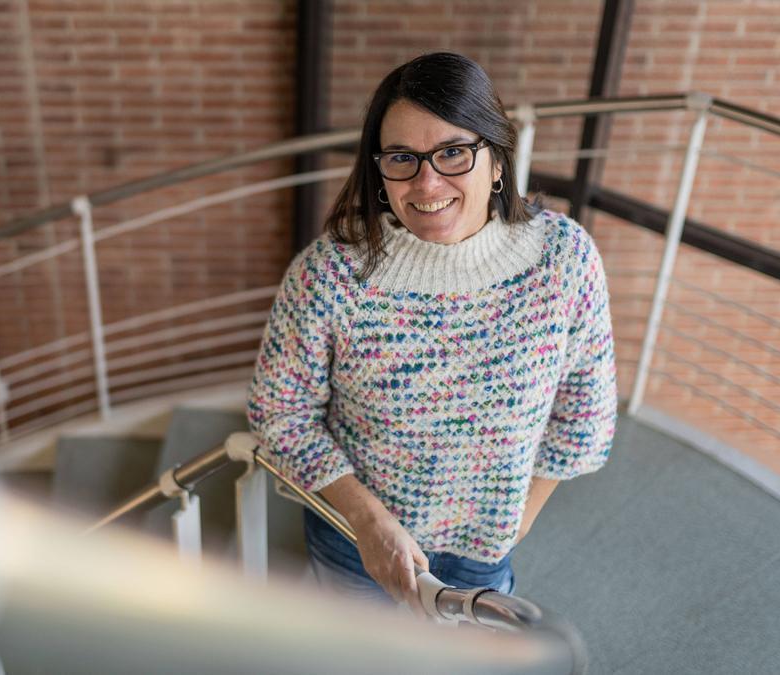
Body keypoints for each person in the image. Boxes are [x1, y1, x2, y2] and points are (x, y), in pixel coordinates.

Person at [247, 52, 617, 610]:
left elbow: (586, 415)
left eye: (452, 152)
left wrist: (515, 523)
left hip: (485, 551)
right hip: (353, 542)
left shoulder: (564, 261)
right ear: (380, 172)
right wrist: (366, 520)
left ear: (496, 161)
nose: (426, 181)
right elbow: (279, 413)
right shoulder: (330, 275)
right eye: (403, 157)